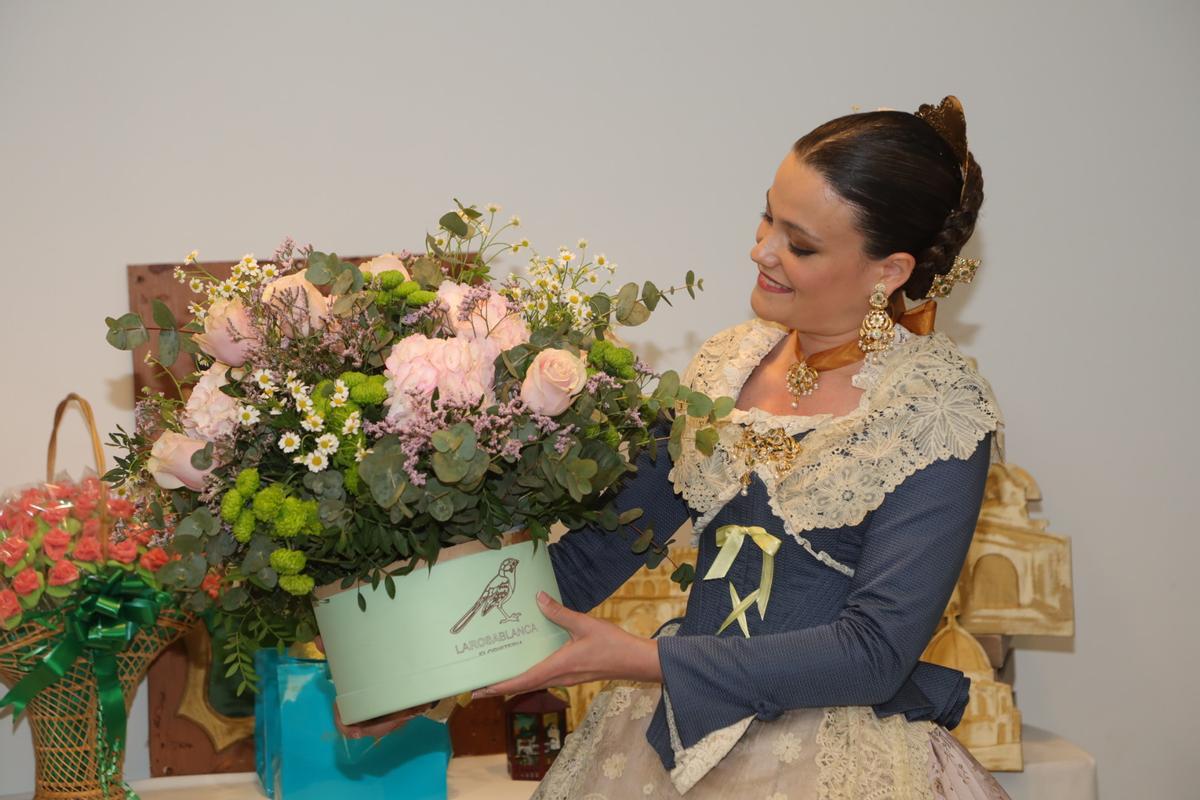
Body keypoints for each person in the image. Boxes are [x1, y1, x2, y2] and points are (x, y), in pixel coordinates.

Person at [342, 95, 1010, 800]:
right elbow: (600, 551)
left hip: (837, 757)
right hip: (670, 743)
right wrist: (417, 674)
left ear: (889, 270)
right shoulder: (727, 363)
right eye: (766, 218)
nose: (761, 251)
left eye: (800, 243)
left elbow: (874, 653)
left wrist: (649, 659)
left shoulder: (938, 410)